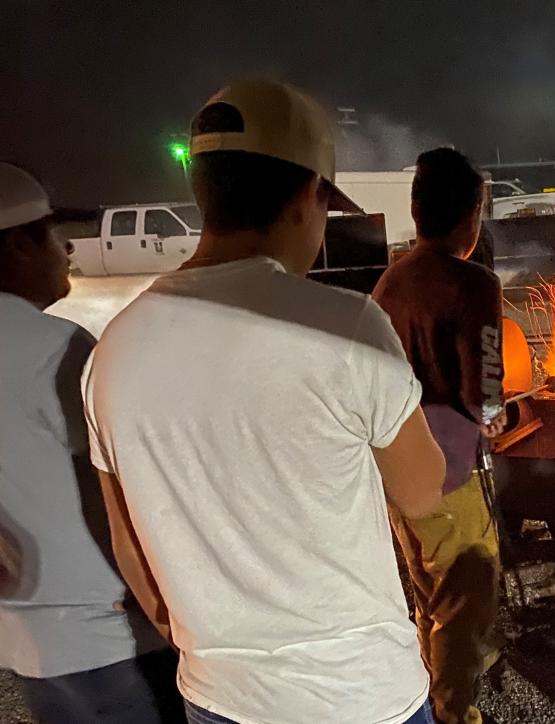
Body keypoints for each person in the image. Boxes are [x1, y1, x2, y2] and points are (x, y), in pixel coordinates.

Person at [82, 79, 446, 724]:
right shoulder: (343, 325)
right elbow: (422, 492)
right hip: (360, 699)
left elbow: (129, 543)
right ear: (310, 196)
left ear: (204, 192)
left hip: (220, 700)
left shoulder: (112, 349)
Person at [0, 162, 183, 723]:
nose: (69, 252)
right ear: (22, 245)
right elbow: (124, 484)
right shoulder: (58, 350)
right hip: (113, 633)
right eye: (56, 236)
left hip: (27, 639)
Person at [373, 148, 505, 724]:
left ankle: (434, 690)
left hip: (396, 471)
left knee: (430, 595)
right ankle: (455, 713)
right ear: (471, 214)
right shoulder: (474, 283)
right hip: (450, 469)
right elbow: (486, 391)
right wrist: (497, 413)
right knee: (465, 594)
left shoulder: (390, 280)